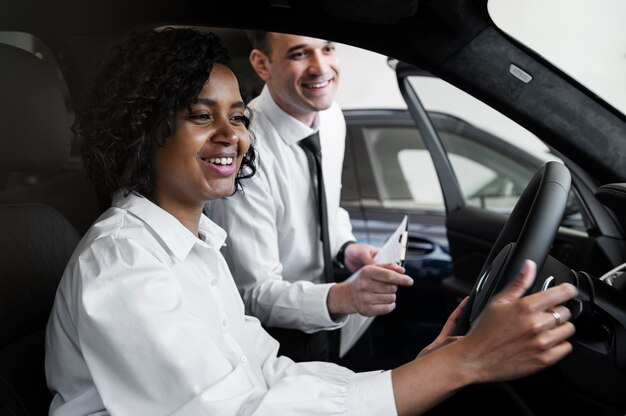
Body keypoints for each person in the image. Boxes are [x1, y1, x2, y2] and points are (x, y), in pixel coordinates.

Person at [44, 27, 579, 415]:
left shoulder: (197, 244)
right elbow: (243, 411)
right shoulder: (125, 265)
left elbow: (267, 372)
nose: (231, 135)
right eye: (202, 116)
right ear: (146, 129)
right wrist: (465, 364)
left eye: (237, 116)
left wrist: (420, 371)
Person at [206, 31, 413, 362]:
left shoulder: (333, 118)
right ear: (262, 64)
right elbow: (252, 293)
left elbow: (328, 205)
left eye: (328, 48)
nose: (321, 68)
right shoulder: (242, 149)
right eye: (300, 54)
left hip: (324, 317)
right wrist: (344, 298)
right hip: (270, 340)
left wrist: (346, 248)